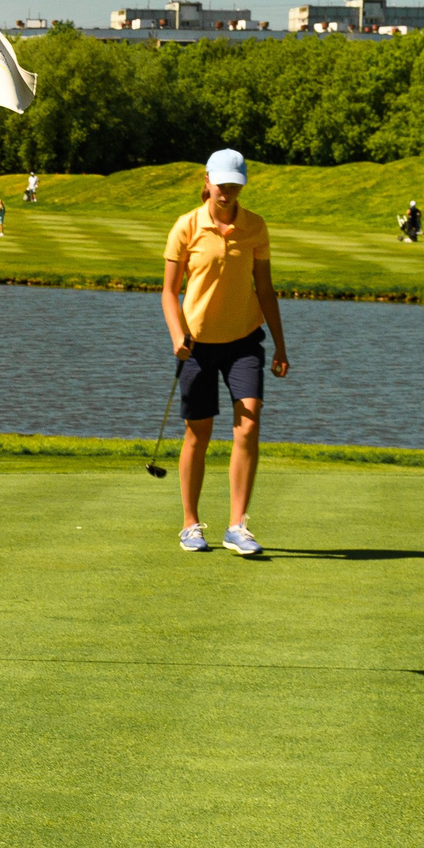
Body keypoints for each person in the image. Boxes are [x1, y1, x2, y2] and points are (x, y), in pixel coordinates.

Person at [161, 150, 291, 556]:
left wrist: (281, 346)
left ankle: (237, 525)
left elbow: (265, 291)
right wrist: (176, 333)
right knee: (198, 434)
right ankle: (190, 524)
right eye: (222, 184)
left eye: (235, 184)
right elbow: (168, 292)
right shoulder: (186, 227)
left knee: (248, 426)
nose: (228, 191)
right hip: (197, 346)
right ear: (207, 180)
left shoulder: (255, 227)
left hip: (243, 342)